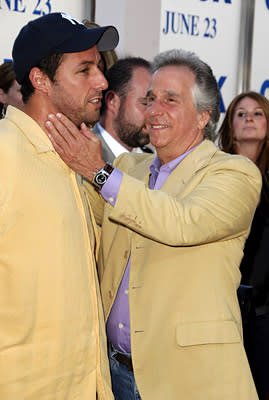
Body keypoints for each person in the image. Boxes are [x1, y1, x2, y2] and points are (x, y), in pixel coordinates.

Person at [45, 49, 261, 399]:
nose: (154, 111)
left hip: (188, 380)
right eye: (150, 99)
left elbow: (183, 223)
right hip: (113, 373)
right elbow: (80, 213)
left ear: (205, 115)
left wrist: (99, 172)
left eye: (170, 100)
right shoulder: (130, 168)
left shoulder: (234, 173)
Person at [0, 12, 118, 399]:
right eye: (84, 70)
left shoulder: (76, 159)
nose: (102, 81)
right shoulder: (4, 153)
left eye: (99, 68)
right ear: (39, 80)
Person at [218, 91, 269, 400]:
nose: (249, 118)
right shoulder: (213, 173)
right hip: (220, 302)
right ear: (230, 126)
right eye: (241, 113)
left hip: (264, 310)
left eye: (257, 113)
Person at [92, 57, 154, 164]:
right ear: (113, 102)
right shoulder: (82, 156)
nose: (153, 113)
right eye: (145, 104)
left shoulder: (151, 161)